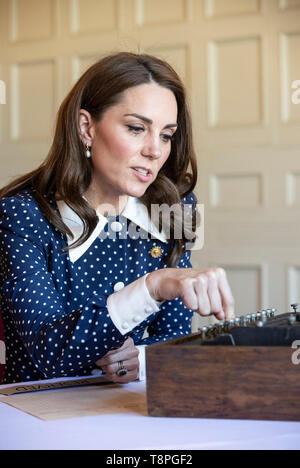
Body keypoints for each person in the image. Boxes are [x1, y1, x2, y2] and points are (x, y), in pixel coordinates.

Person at [0, 52, 234, 385]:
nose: (155, 150)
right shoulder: (23, 215)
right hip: (38, 415)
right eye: (137, 128)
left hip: (130, 411)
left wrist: (138, 358)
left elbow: (173, 337)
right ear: (86, 127)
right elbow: (48, 351)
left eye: (166, 135)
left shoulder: (176, 208)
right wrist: (152, 287)